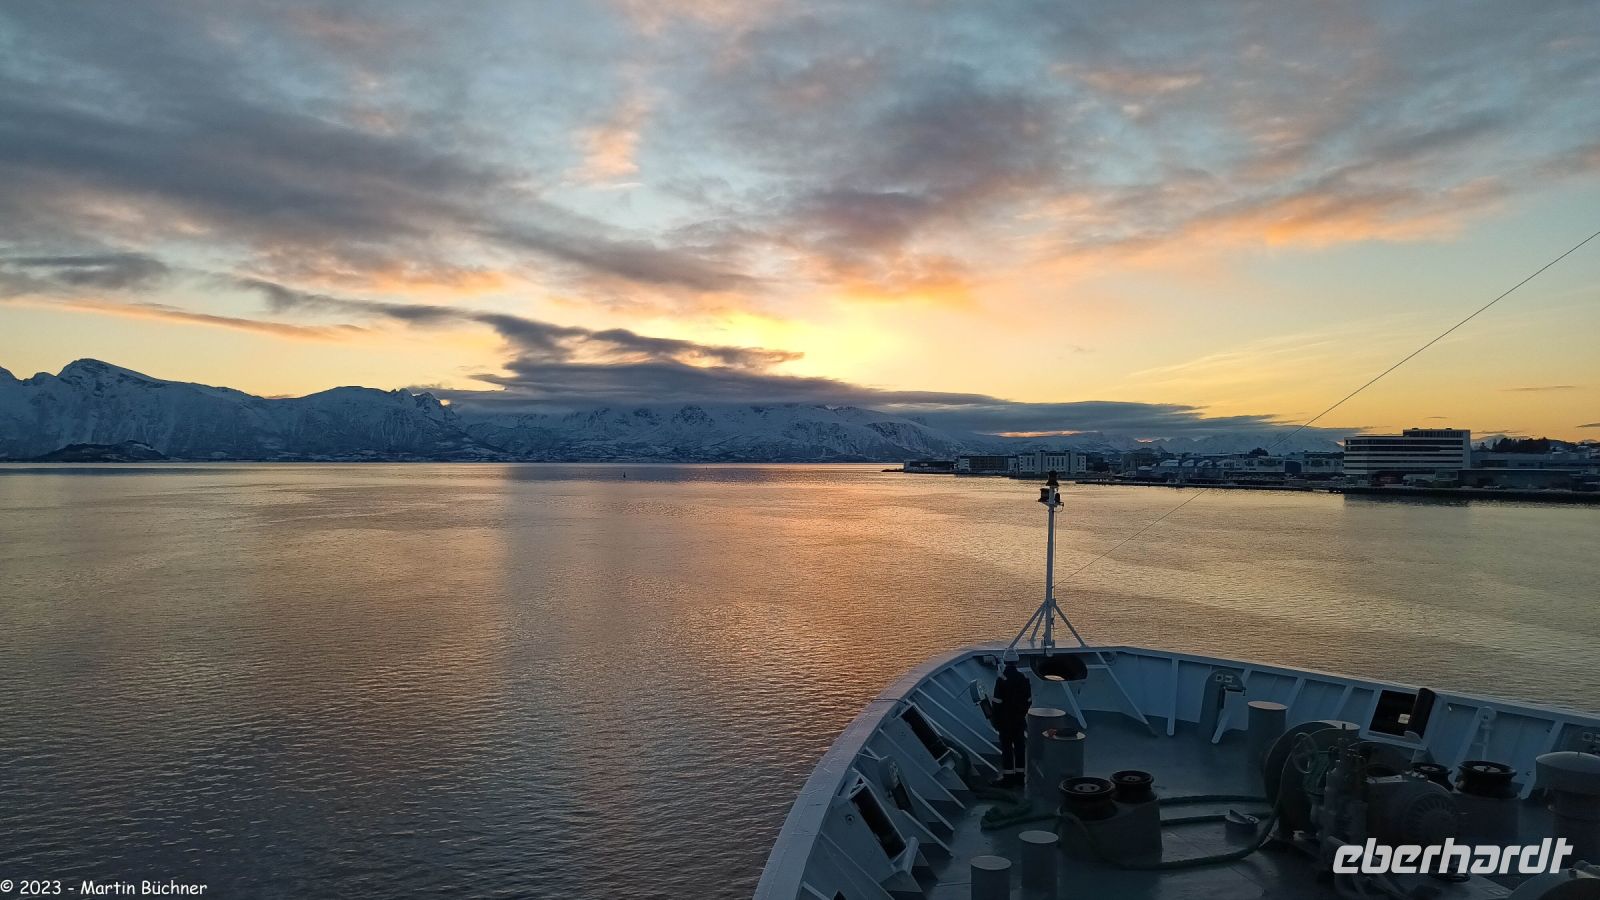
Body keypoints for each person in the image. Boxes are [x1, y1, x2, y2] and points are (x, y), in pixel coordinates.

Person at [991, 648, 1032, 788]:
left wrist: (996, 720)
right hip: (1019, 721)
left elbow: (997, 703)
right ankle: (1020, 777)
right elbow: (1029, 700)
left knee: (1007, 748)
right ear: (1016, 661)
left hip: (1005, 721)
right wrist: (1021, 714)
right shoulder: (1024, 678)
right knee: (1020, 748)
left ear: (1005, 661)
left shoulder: (1001, 679)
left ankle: (1008, 778)